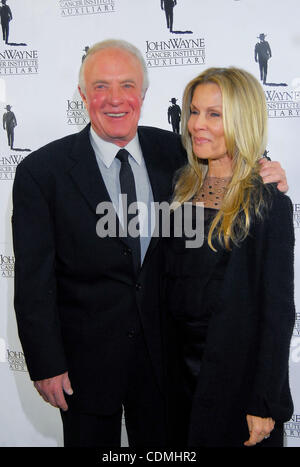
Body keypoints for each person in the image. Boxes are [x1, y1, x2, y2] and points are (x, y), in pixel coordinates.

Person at [12, 39, 287, 448]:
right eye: (100, 87)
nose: (115, 99)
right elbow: (33, 281)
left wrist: (270, 170)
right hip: (87, 368)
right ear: (83, 94)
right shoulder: (42, 172)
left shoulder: (178, 155)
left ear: (143, 94)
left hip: (168, 368)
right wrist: (46, 363)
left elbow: (233, 156)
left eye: (127, 86)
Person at [163, 67, 295, 447]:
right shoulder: (178, 190)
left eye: (214, 114)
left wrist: (265, 401)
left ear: (242, 119)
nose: (196, 124)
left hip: (237, 384)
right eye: (194, 111)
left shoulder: (267, 203)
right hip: (176, 382)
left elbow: (278, 311)